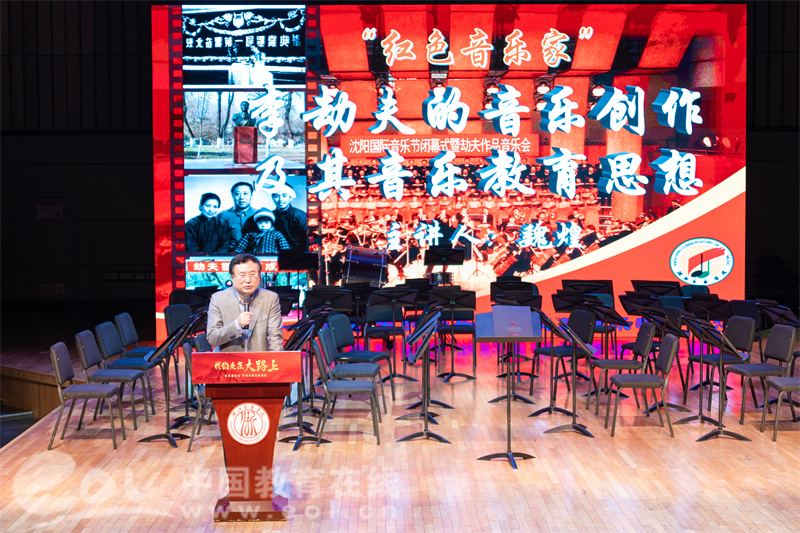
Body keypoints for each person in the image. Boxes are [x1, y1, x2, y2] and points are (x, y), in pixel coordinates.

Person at [206, 253, 284, 352]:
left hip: (259, 360)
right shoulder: (218, 299)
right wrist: (236, 325)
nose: (248, 280)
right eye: (242, 275)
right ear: (232, 277)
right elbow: (212, 339)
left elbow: (275, 337)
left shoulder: (270, 298)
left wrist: (275, 360)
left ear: (259, 276)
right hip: (230, 359)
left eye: (252, 274)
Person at [219, 181, 256, 249]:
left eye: (245, 193)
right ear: (232, 195)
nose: (242, 197)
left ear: (251, 194)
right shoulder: (222, 216)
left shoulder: (259, 214)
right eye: (237, 194)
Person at [272, 183, 308, 250]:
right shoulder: (270, 216)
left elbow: (309, 239)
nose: (280, 199)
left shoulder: (300, 216)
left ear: (291, 197)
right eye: (277, 196)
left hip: (297, 253)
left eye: (284, 196)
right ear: (272, 198)